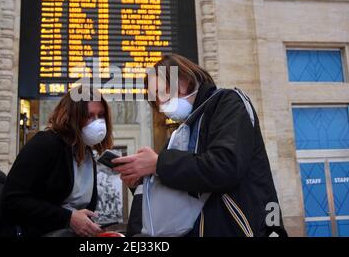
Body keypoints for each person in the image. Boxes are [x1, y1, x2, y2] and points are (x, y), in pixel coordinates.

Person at [113, 54, 287, 237]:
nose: (160, 102)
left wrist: (158, 163)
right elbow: (178, 190)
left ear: (185, 79)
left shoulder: (228, 102)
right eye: (155, 97)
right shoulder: (182, 132)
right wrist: (142, 180)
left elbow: (225, 166)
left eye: (163, 91)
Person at [0, 86, 114, 237]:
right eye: (89, 116)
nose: (97, 122)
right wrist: (69, 218)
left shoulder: (88, 153)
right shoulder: (45, 144)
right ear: (72, 116)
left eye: (101, 115)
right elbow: (12, 198)